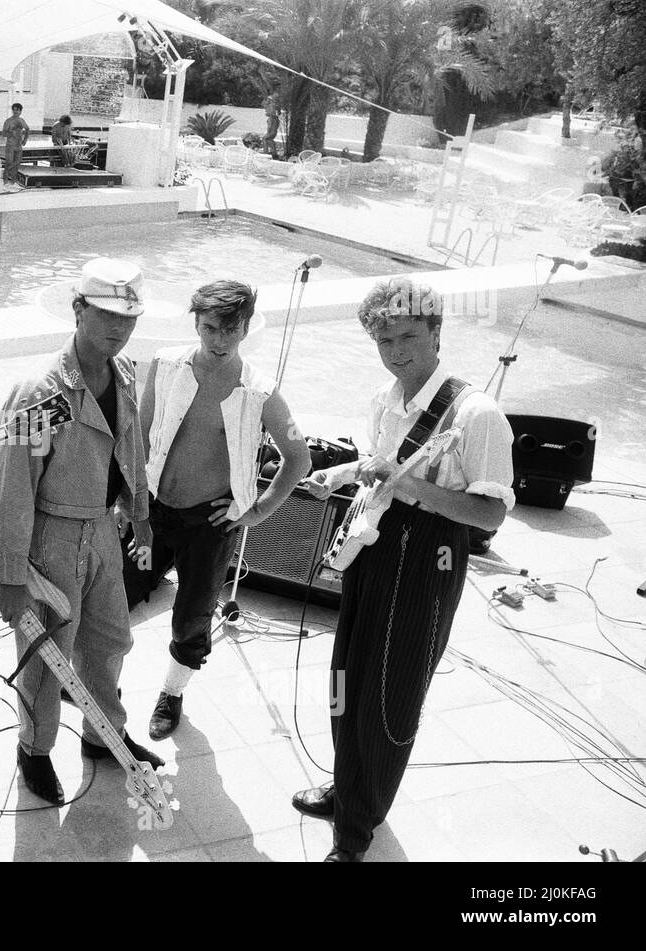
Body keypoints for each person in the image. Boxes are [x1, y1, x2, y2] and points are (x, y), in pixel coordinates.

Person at [291, 277, 514, 862]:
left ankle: (356, 832)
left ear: (437, 333)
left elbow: (492, 512)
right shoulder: (385, 399)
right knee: (347, 676)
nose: (396, 351)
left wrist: (410, 484)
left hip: (430, 555)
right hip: (376, 543)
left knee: (389, 694)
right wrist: (342, 476)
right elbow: (380, 464)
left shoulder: (476, 412)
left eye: (409, 336)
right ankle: (348, 787)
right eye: (383, 340)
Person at [0, 258, 164, 806]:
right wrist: (12, 575)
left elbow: (130, 449)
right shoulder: (38, 392)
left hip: (103, 533)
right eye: (107, 314)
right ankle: (35, 749)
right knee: (47, 657)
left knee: (109, 641)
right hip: (52, 537)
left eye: (129, 318)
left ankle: (102, 734)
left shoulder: (125, 374)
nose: (119, 328)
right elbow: (16, 488)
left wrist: (139, 516)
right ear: (77, 310)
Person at [125, 281, 312, 741]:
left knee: (192, 617)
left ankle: (171, 693)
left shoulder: (261, 390)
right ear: (196, 323)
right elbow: (139, 434)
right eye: (210, 328)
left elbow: (299, 458)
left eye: (231, 330)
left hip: (210, 523)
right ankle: (95, 681)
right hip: (153, 510)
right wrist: (131, 507)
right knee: (115, 595)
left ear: (247, 327)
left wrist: (258, 510)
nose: (220, 340)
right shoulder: (166, 365)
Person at [2, 102, 30, 184]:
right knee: (9, 163)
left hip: (18, 146)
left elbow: (27, 129)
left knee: (16, 164)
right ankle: (5, 181)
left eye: (17, 110)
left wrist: (25, 140)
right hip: (10, 145)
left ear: (20, 111)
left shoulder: (22, 121)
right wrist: (11, 133)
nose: (15, 112)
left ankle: (13, 182)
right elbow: (3, 134)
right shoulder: (8, 121)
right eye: (13, 110)